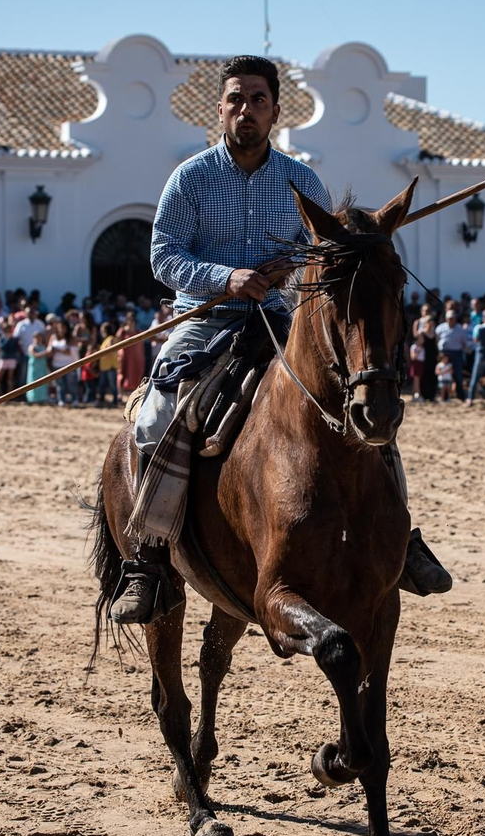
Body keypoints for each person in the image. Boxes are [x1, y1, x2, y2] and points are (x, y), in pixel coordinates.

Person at [115, 54, 451, 624]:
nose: (246, 110)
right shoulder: (190, 177)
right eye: (235, 99)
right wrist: (229, 277)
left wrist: (336, 254)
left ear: (274, 110)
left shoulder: (302, 180)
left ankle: (402, 540)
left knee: (367, 406)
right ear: (221, 108)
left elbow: (328, 258)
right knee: (155, 417)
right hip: (208, 322)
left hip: (283, 323)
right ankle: (147, 559)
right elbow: (163, 257)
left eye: (257, 100)